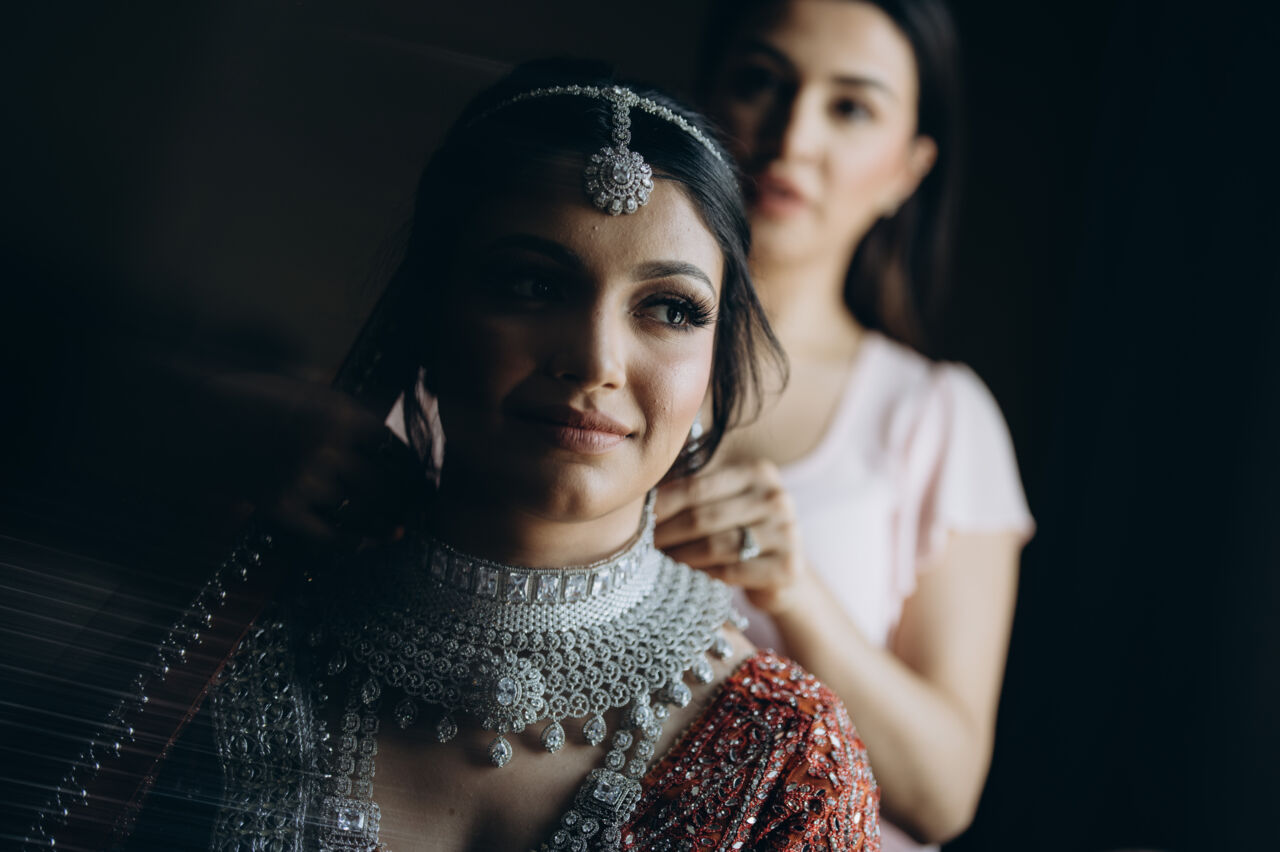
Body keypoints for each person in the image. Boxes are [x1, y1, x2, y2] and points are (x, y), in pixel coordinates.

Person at [33, 65, 882, 852]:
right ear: (428, 319)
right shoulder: (236, 654)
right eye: (532, 284)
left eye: (669, 308)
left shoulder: (784, 756)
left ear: (715, 361)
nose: (595, 362)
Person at [652, 2, 1034, 849]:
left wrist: (796, 596)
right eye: (761, 82)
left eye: (851, 107)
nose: (793, 137)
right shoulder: (581, 361)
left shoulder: (939, 416)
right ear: (702, 102)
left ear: (908, 169)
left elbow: (944, 796)